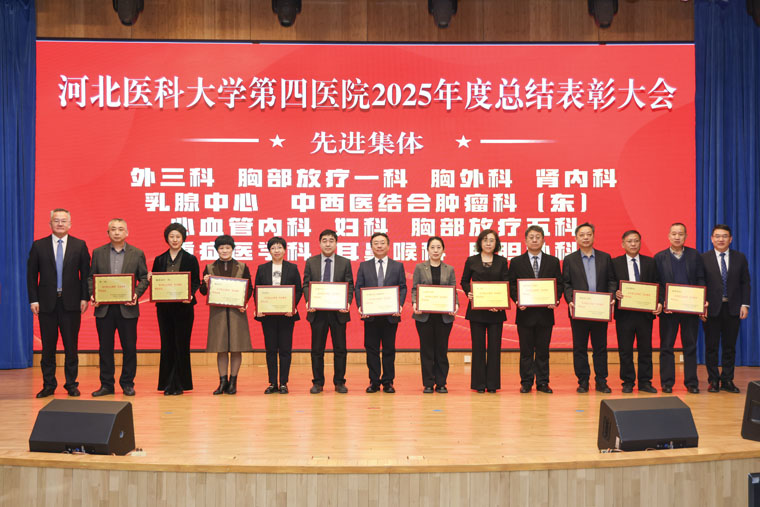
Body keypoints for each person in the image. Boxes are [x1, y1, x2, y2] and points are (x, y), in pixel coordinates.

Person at [27, 208, 90, 398]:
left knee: (71, 347)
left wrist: (85, 298)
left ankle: (71, 384)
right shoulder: (39, 245)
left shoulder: (79, 245)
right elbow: (31, 276)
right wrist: (33, 299)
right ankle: (48, 385)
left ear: (70, 224)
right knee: (48, 348)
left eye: (63, 220)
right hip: (46, 304)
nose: (60, 223)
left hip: (71, 304)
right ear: (50, 223)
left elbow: (85, 274)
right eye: (56, 220)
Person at [88, 218, 149, 397]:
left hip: (127, 308)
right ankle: (106, 385)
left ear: (127, 233)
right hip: (104, 308)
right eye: (113, 229)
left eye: (120, 229)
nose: (116, 232)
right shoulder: (98, 252)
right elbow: (91, 277)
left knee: (129, 347)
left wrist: (136, 294)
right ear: (108, 233)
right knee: (105, 348)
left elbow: (144, 278)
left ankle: (127, 383)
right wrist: (93, 294)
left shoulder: (137, 253)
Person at [507, 225, 563, 394]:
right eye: (531, 237)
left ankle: (543, 382)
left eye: (538, 237)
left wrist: (556, 299)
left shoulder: (553, 261)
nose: (534, 240)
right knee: (526, 351)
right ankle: (526, 382)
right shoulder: (516, 262)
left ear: (543, 240)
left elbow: (559, 284)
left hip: (545, 314)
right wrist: (517, 300)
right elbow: (511, 285)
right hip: (525, 314)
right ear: (525, 240)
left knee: (543, 351)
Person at [562, 222, 615, 393]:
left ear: (593, 236)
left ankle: (601, 381)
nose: (585, 237)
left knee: (600, 347)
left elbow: (611, 280)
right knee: (580, 348)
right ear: (576, 238)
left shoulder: (605, 257)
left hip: (600, 310)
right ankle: (583, 381)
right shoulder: (570, 259)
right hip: (579, 310)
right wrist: (570, 300)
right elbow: (566, 283)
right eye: (582, 235)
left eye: (588, 234)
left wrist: (611, 297)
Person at [654, 222, 706, 394]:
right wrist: (662, 301)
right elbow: (657, 283)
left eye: (681, 234)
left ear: (686, 236)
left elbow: (700, 279)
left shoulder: (694, 255)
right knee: (666, 347)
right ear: (668, 236)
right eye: (674, 234)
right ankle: (667, 383)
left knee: (690, 346)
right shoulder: (659, 257)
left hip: (690, 310)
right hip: (668, 311)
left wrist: (701, 301)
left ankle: (691, 383)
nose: (677, 237)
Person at [199, 235, 253, 395]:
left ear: (232, 249)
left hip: (237, 312)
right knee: (220, 348)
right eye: (221, 248)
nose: (224, 251)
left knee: (237, 348)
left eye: (227, 248)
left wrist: (244, 302)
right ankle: (222, 382)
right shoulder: (209, 267)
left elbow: (249, 288)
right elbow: (203, 292)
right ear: (217, 250)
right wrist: (205, 283)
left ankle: (233, 382)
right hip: (218, 313)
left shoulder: (242, 266)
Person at [151, 223, 200, 396]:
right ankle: (166, 383)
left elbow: (195, 281)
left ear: (183, 238)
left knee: (182, 344)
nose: (174, 240)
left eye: (178, 236)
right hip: (164, 308)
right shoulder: (159, 259)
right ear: (167, 238)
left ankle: (180, 383)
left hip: (184, 308)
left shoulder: (190, 259)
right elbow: (156, 281)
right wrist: (151, 279)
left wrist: (190, 294)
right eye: (171, 236)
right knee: (167, 344)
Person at [302, 229, 354, 394]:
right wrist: (309, 301)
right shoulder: (311, 262)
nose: (328, 244)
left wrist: (347, 302)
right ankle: (318, 382)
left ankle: (339, 382)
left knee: (340, 349)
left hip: (339, 312)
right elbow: (306, 284)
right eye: (324, 240)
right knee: (317, 350)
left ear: (336, 243)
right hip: (317, 312)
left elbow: (350, 285)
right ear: (319, 243)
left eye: (331, 240)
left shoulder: (345, 262)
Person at [356, 232, 408, 393]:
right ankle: (374, 381)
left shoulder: (397, 266)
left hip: (390, 315)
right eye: (376, 243)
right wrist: (361, 306)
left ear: (388, 246)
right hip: (370, 315)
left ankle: (388, 381)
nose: (379, 246)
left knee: (389, 349)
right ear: (371, 247)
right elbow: (358, 287)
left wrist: (399, 305)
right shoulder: (364, 266)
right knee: (371, 349)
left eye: (382, 243)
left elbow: (403, 287)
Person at [610, 230, 661, 393]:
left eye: (636, 241)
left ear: (640, 242)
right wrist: (615, 293)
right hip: (624, 314)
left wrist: (658, 302)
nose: (633, 244)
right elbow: (611, 283)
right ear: (623, 244)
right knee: (625, 350)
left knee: (645, 349)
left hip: (645, 314)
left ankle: (645, 382)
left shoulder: (650, 262)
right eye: (629, 241)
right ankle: (628, 381)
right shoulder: (615, 263)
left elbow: (657, 283)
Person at [701, 224, 750, 393]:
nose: (721, 239)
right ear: (711, 239)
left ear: (731, 239)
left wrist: (745, 304)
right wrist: (701, 307)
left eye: (724, 236)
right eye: (717, 236)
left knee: (730, 347)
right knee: (711, 346)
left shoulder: (740, 258)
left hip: (733, 308)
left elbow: (745, 282)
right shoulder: (704, 258)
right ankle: (713, 380)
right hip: (711, 309)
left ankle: (728, 380)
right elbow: (700, 283)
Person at [460, 229, 509, 393]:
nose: (488, 243)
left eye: (492, 240)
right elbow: (464, 281)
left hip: (496, 311)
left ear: (496, 243)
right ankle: (479, 384)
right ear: (480, 242)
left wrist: (500, 303)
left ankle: (493, 384)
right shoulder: (471, 260)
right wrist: (469, 292)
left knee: (495, 348)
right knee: (478, 348)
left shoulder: (502, 261)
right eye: (485, 240)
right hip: (477, 312)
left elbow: (506, 283)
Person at [254, 236, 303, 394]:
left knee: (285, 350)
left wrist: (292, 306)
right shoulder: (262, 268)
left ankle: (283, 383)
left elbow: (299, 289)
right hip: (268, 316)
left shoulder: (292, 268)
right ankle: (272, 382)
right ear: (269, 251)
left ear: (284, 250)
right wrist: (259, 307)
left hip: (286, 315)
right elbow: (257, 290)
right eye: (273, 248)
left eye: (279, 247)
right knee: (270, 350)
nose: (276, 250)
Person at [412, 237, 458, 393]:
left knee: (441, 351)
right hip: (424, 316)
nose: (436, 250)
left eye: (439, 247)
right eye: (432, 247)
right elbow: (414, 289)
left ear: (443, 250)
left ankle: (441, 383)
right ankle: (428, 383)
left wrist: (455, 305)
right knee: (427, 350)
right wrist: (415, 303)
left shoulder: (449, 269)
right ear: (427, 249)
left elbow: (453, 289)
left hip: (444, 317)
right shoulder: (420, 267)